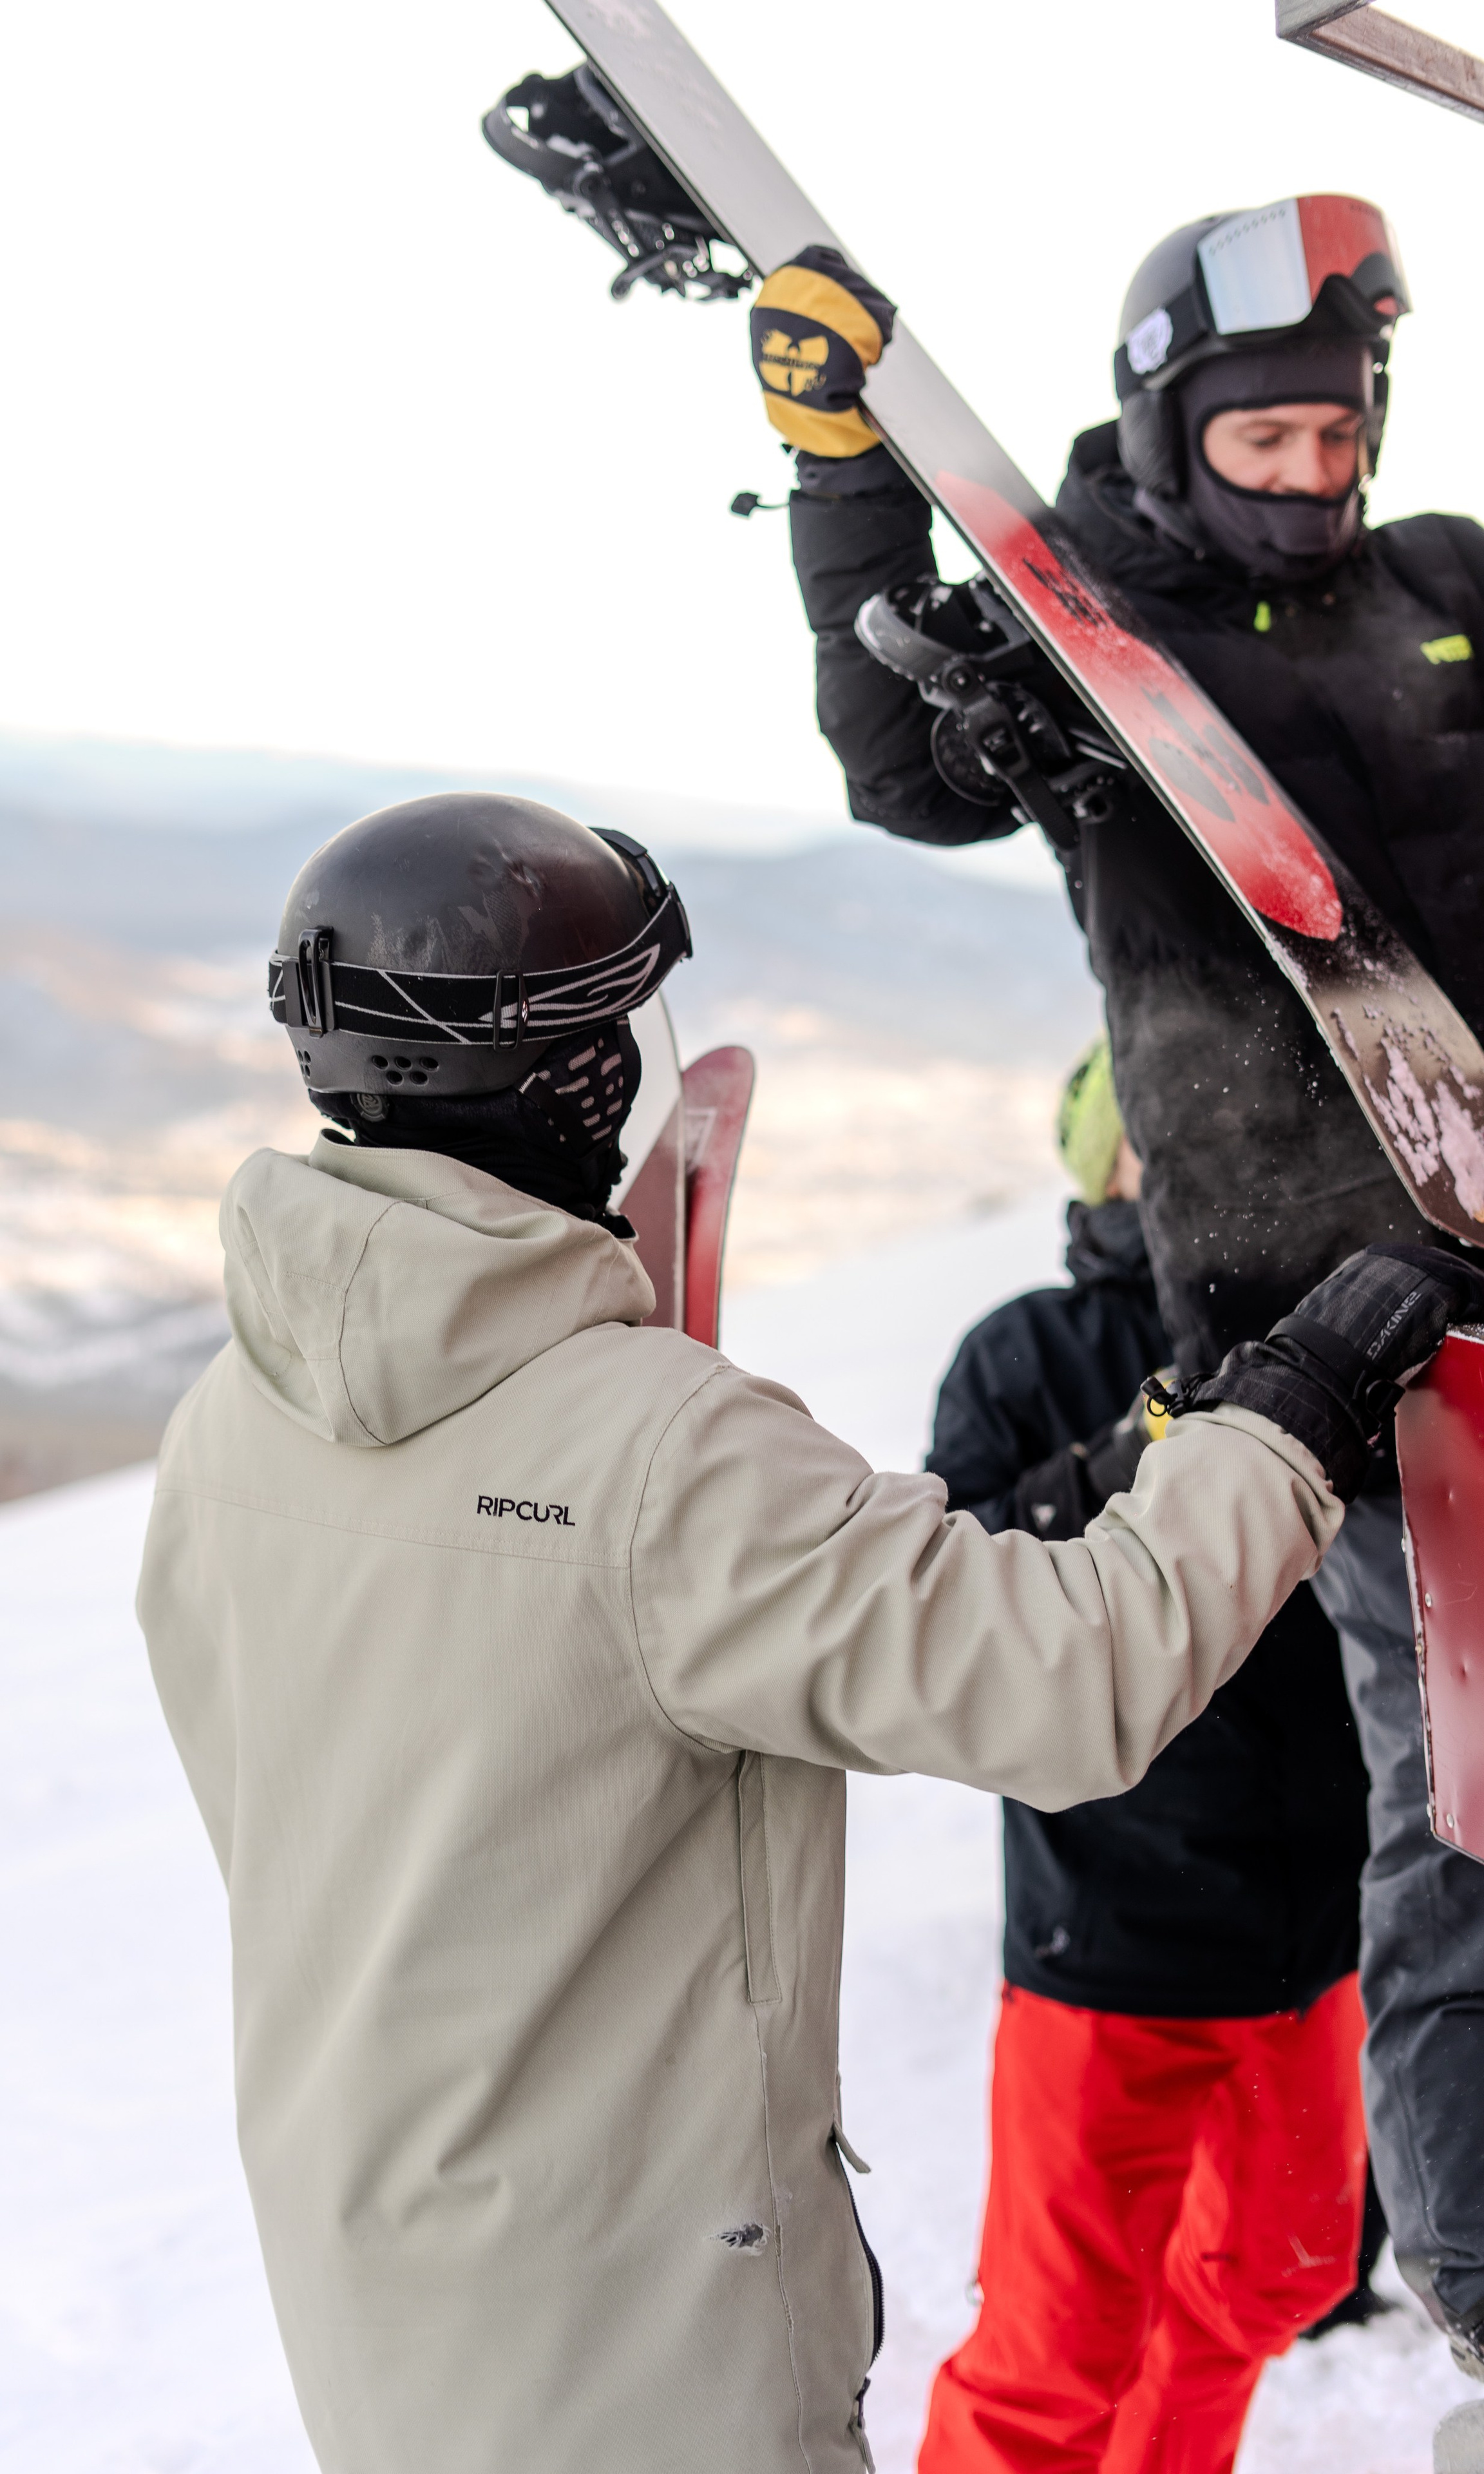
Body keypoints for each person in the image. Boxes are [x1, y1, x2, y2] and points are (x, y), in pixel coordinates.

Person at [135, 791, 1476, 2474]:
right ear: (579, 1074)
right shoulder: (657, 1460)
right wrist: (1293, 1405)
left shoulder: (234, 1425)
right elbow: (1073, 1674)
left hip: (376, 2277)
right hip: (647, 2344)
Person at [748, 200, 1484, 2417]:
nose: (1303, 475)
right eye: (1256, 437)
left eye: (1327, 436)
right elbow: (902, 764)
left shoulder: (1447, 585)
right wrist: (848, 475)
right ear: (1168, 430)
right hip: (1338, 1326)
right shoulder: (1093, 617)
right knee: (1464, 1804)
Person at [920, 1037, 1382, 2471]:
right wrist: (1127, 1454)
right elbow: (949, 1595)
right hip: (1108, 1930)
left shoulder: (1328, 1321)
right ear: (1110, 1156)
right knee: (1054, 2350)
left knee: (1282, 2271)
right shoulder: (1024, 1353)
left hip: (1311, 1929)